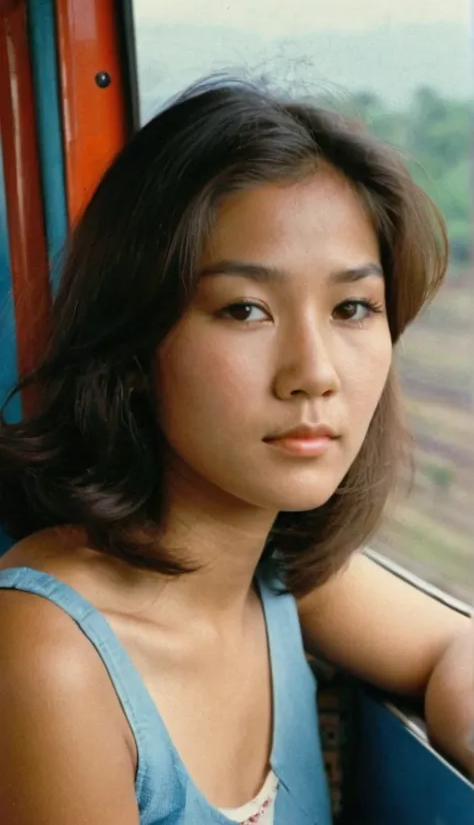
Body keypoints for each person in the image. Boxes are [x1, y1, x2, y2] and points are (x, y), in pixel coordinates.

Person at [0, 78, 472, 825]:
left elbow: (454, 641)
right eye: (245, 309)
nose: (314, 371)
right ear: (133, 342)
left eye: (352, 307)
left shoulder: (276, 570)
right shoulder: (47, 655)